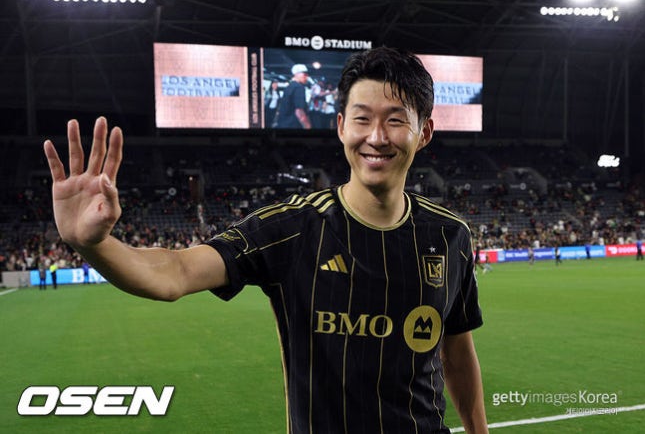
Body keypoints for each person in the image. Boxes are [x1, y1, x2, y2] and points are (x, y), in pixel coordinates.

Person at [43, 47, 488, 434]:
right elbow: (176, 272)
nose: (376, 137)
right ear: (340, 127)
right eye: (362, 119)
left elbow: (456, 352)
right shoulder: (292, 228)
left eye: (395, 121)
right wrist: (93, 245)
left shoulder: (449, 235)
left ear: (424, 133)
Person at [275, 64, 312, 129]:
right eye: (304, 74)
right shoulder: (299, 87)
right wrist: (307, 126)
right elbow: (299, 111)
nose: (307, 77)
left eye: (307, 74)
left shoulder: (289, 86)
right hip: (293, 124)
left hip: (283, 124)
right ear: (296, 74)